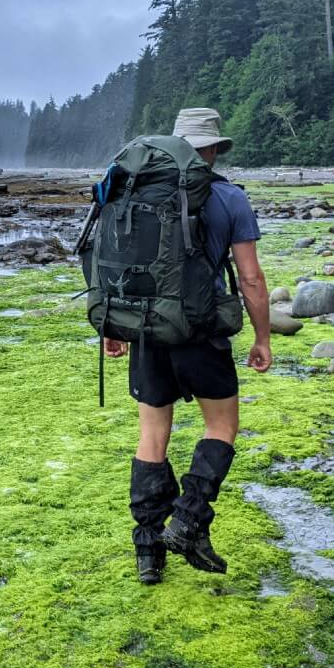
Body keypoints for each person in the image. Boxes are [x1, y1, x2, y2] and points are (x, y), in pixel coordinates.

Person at [104, 107, 272, 584]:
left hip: (146, 330)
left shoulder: (137, 189)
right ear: (214, 150)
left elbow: (120, 265)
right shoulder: (229, 198)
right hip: (200, 331)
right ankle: (189, 520)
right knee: (221, 425)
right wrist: (261, 337)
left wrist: (114, 329)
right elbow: (252, 280)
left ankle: (147, 553)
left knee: (152, 435)